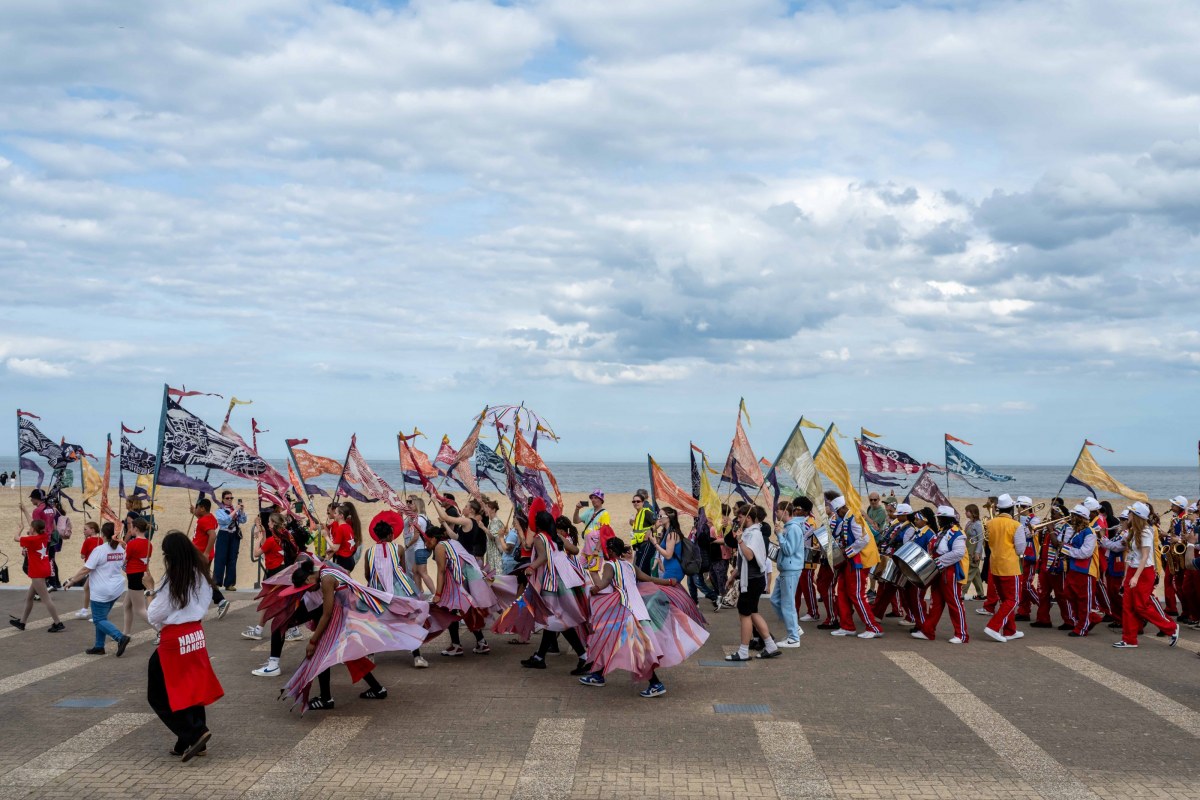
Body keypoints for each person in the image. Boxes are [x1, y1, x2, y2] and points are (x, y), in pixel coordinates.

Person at [280, 558, 426, 711]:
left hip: (348, 616)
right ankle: (377, 689)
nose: (307, 591)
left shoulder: (326, 579)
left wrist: (313, 640)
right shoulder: (325, 570)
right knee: (349, 653)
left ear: (309, 578)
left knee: (322, 650)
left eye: (305, 587)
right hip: (351, 613)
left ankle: (326, 698)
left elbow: (327, 613)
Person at [580, 537, 707, 697]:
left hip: (624, 610)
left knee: (635, 648)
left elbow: (605, 581)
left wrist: (595, 589)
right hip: (638, 609)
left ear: (611, 551)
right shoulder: (629, 566)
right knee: (612, 640)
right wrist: (668, 582)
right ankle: (598, 674)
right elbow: (649, 578)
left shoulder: (609, 565)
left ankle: (655, 684)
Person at [145, 531, 223, 760]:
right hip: (195, 634)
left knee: (158, 693)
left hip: (175, 639)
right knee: (191, 686)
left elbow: (154, 615)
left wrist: (149, 589)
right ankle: (187, 740)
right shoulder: (202, 574)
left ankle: (195, 732)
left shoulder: (173, 580)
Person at [505, 500, 590, 673]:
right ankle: (540, 657)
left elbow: (542, 557)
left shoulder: (539, 538)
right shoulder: (557, 537)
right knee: (555, 620)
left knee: (558, 620)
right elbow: (574, 550)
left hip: (552, 585)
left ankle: (584, 656)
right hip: (567, 581)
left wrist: (531, 567)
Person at [1114, 503, 1179, 648]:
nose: (1128, 515)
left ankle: (1171, 627)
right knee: (1127, 605)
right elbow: (1131, 555)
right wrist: (1127, 575)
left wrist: (1135, 577)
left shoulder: (1145, 532)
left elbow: (1144, 557)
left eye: (1131, 513)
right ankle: (1129, 639)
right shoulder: (1133, 531)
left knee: (1141, 606)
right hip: (1133, 570)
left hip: (1144, 572)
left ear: (1136, 516)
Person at [723, 505, 782, 661]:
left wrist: (740, 540)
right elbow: (742, 561)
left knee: (745, 614)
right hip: (750, 578)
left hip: (752, 580)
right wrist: (733, 575)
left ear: (748, 518)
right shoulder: (750, 533)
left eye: (740, 517)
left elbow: (749, 556)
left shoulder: (754, 534)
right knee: (753, 612)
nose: (738, 520)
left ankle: (743, 651)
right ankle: (770, 645)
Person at [63, 522, 132, 656]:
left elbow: (86, 569)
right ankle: (99, 646)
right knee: (102, 617)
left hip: (102, 589)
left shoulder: (99, 550)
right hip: (117, 587)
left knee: (98, 619)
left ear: (103, 535)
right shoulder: (121, 549)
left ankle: (120, 637)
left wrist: (72, 581)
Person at [911, 506, 970, 644]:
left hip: (950, 572)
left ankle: (961, 634)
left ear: (946, 519)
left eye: (940, 518)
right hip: (938, 571)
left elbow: (958, 553)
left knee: (954, 603)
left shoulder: (957, 534)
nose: (938, 520)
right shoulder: (942, 533)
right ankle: (928, 631)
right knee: (935, 603)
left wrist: (939, 561)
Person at [828, 496, 883, 639]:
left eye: (837, 511)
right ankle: (847, 626)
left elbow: (864, 539)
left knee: (857, 595)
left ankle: (873, 627)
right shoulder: (849, 517)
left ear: (841, 509)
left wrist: (847, 552)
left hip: (859, 561)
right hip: (852, 561)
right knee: (843, 592)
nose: (836, 514)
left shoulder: (854, 518)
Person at [242, 513, 301, 643]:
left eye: (269, 522)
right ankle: (295, 630)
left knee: (268, 603)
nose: (268, 523)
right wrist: (261, 529)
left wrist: (257, 539)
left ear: (273, 524)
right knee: (283, 603)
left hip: (275, 575)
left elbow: (257, 553)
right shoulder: (286, 536)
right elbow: (267, 547)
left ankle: (258, 630)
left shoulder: (271, 540)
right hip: (285, 573)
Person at [9, 514, 65, 633]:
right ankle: (22, 622)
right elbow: (34, 526)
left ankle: (58, 622)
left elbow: (16, 538)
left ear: (33, 529)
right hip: (44, 568)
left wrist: (20, 528)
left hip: (37, 571)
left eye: (30, 527)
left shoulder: (32, 539)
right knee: (29, 597)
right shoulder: (44, 536)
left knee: (46, 599)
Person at [981, 494, 1025, 643]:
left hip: (995, 565)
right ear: (1012, 508)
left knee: (1005, 599)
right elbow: (1020, 550)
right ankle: (994, 626)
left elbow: (987, 544)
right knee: (1013, 600)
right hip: (1010, 567)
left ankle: (1010, 630)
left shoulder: (990, 523)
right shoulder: (1016, 525)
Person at [1059, 505, 1103, 637]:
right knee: (1069, 594)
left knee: (1084, 600)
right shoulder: (1074, 531)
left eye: (1074, 516)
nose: (1071, 518)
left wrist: (1066, 549)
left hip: (1086, 570)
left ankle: (1082, 627)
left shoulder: (1090, 533)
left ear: (1081, 518)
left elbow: (1085, 553)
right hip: (1074, 568)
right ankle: (1089, 619)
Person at [769, 499, 808, 647]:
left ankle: (793, 637)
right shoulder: (789, 527)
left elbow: (789, 550)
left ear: (785, 512)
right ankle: (794, 628)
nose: (775, 513)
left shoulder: (793, 528)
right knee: (775, 600)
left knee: (788, 604)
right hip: (786, 569)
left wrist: (779, 535)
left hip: (791, 569)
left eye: (777, 510)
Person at [120, 518, 155, 638]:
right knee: (127, 605)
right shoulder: (149, 544)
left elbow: (124, 560)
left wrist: (124, 548)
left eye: (131, 527)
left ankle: (161, 630)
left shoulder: (132, 543)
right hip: (142, 574)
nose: (130, 530)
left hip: (134, 575)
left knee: (140, 609)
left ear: (135, 529)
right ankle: (125, 633)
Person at [211, 491, 246, 592]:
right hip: (224, 534)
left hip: (234, 535)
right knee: (220, 558)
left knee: (232, 559)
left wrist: (242, 511)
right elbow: (225, 520)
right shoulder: (220, 510)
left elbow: (243, 520)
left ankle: (229, 583)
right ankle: (216, 582)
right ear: (222, 499)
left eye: (231, 498)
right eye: (227, 498)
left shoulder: (235, 509)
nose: (230, 500)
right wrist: (235, 510)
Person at [73, 521, 104, 620]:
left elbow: (82, 556)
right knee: (87, 588)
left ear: (92, 530)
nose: (84, 531)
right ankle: (85, 610)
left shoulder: (87, 541)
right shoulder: (101, 540)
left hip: (91, 568)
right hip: (99, 567)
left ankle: (95, 613)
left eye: (85, 529)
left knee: (92, 590)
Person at [651, 507, 684, 583]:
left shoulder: (671, 534)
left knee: (665, 592)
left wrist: (655, 544)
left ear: (668, 518)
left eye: (661, 516)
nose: (658, 518)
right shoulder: (667, 532)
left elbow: (668, 555)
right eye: (658, 516)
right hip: (669, 568)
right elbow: (647, 536)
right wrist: (655, 527)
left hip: (673, 570)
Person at [324, 502, 360, 571]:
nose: (334, 515)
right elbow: (344, 544)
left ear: (341, 516)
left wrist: (326, 537)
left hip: (343, 560)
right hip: (350, 559)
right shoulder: (348, 526)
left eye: (335, 513)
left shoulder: (340, 528)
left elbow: (335, 548)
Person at [962, 504, 986, 600]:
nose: (965, 512)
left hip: (974, 551)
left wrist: (977, 553)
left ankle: (962, 592)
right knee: (975, 574)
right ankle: (981, 593)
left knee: (969, 572)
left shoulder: (978, 524)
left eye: (967, 511)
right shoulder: (969, 523)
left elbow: (981, 539)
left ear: (972, 512)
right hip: (968, 549)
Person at [482, 498, 506, 574]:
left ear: (493, 510)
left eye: (487, 507)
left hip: (496, 556)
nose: (485, 509)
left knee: (496, 577)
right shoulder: (492, 522)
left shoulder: (495, 522)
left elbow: (492, 536)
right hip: (492, 555)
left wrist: (483, 527)